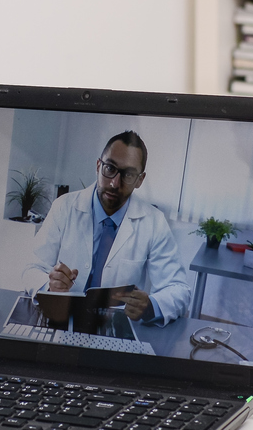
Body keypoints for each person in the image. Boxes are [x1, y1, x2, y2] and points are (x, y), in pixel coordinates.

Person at [24, 132, 194, 327]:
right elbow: (31, 268)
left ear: (140, 180)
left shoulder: (154, 222)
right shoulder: (64, 206)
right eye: (110, 168)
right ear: (98, 166)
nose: (115, 183)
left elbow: (179, 289)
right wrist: (49, 285)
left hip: (116, 326)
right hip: (61, 319)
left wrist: (151, 305)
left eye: (128, 174)